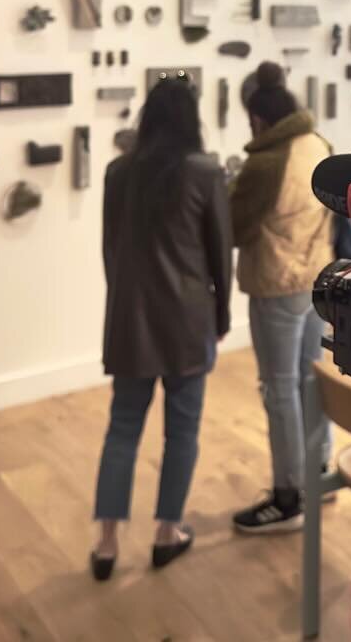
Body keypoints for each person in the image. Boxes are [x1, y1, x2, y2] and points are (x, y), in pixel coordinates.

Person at [91, 75, 231, 580]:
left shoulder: (117, 172)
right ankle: (166, 532)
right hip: (188, 322)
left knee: (122, 427)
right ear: (191, 119)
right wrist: (222, 319)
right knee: (182, 431)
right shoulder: (204, 172)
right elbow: (220, 255)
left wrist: (124, 303)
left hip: (131, 322)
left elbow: (111, 251)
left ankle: (106, 543)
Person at [229, 61, 336, 534]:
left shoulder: (264, 163)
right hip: (318, 279)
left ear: (257, 118)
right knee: (311, 379)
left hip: (276, 285)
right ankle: (318, 474)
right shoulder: (318, 144)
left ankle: (287, 494)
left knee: (278, 388)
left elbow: (234, 226)